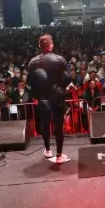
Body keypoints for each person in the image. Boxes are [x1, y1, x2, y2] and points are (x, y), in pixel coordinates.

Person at [27, 34, 70, 165]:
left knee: (45, 123)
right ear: (51, 45)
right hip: (57, 96)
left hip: (42, 98)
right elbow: (67, 78)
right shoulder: (59, 59)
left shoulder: (33, 62)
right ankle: (59, 155)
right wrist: (61, 87)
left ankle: (47, 150)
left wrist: (36, 95)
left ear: (40, 46)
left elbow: (30, 82)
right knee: (58, 125)